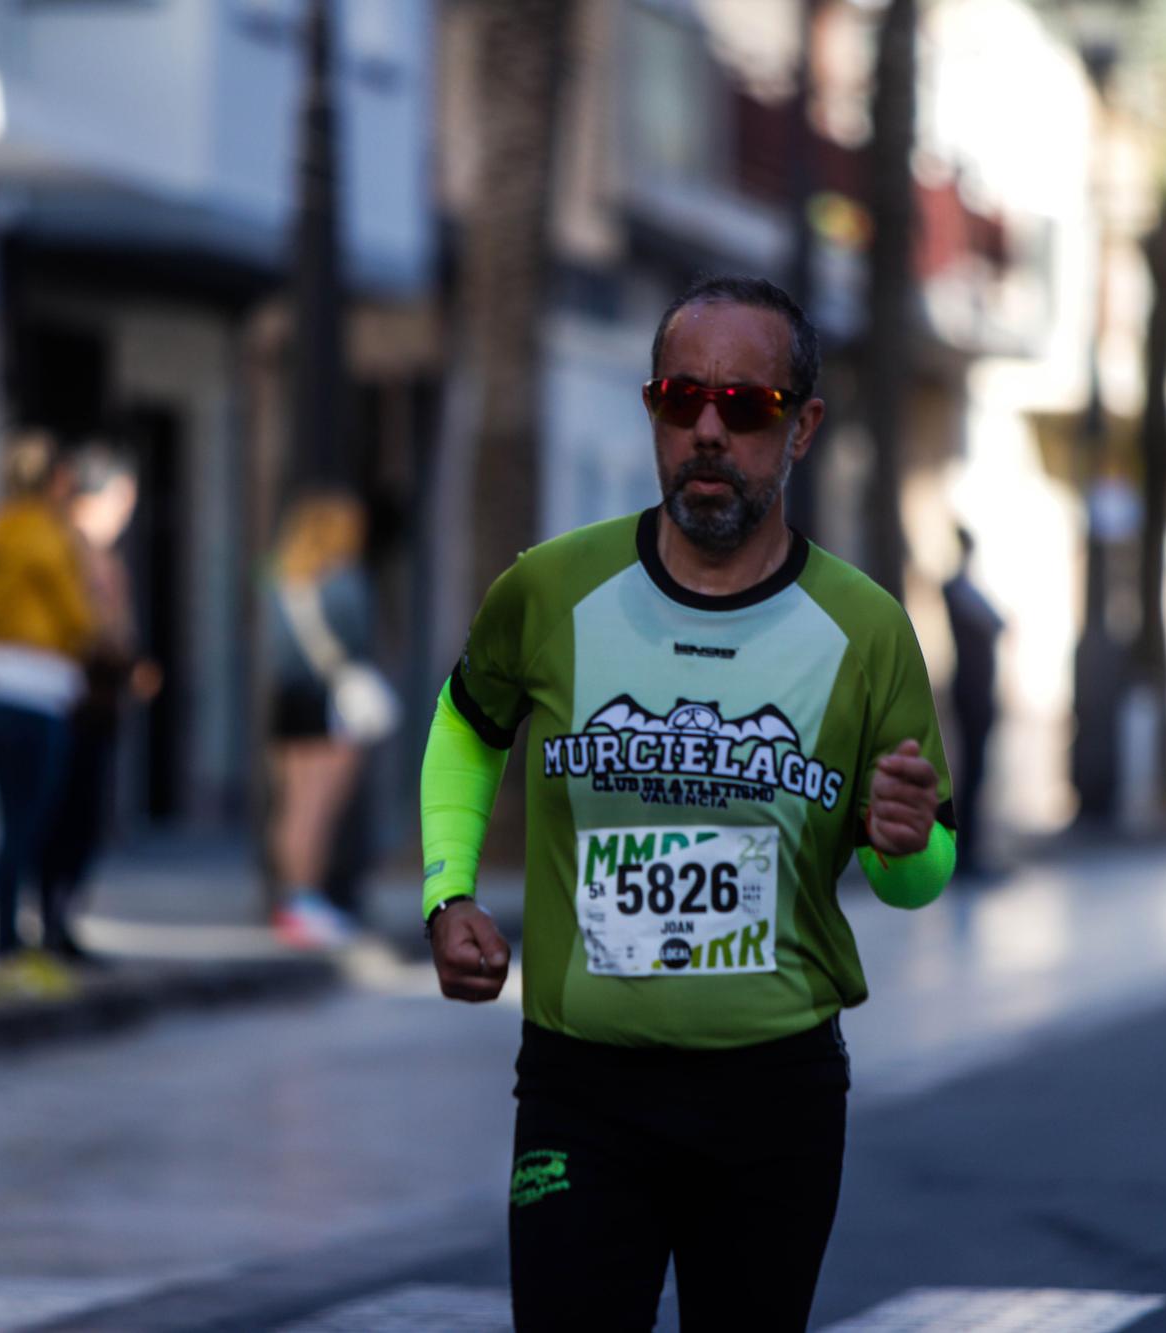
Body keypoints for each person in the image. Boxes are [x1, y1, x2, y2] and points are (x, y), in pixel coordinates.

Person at [419, 276, 956, 1331]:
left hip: (774, 1098)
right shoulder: (547, 590)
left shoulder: (864, 628)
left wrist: (903, 845)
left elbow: (916, 870)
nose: (706, 430)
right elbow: (464, 726)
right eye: (679, 400)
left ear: (799, 427)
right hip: (583, 1091)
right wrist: (449, 892)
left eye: (744, 407)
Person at [0, 431, 95, 997]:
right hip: (38, 687)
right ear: (54, 481)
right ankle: (14, 945)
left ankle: (5, 939)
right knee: (31, 821)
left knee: (10, 819)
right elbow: (76, 616)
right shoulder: (48, 535)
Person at [38, 446, 159, 966]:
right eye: (119, 501)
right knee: (60, 817)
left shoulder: (106, 558)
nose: (125, 514)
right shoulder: (69, 551)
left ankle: (61, 921)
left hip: (101, 704)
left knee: (84, 819)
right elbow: (86, 629)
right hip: (70, 702)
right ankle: (47, 923)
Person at [263, 491, 383, 950]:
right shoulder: (345, 582)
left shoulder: (282, 580)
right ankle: (306, 902)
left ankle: (291, 901)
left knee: (291, 809)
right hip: (330, 701)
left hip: (288, 699)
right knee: (319, 812)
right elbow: (361, 642)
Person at [943, 524, 1003, 879]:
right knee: (971, 773)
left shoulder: (963, 589)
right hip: (971, 691)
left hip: (977, 689)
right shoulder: (957, 588)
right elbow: (996, 622)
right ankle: (965, 854)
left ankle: (971, 850)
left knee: (977, 773)